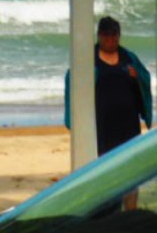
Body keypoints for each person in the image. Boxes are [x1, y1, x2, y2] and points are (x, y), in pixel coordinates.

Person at [64, 16, 153, 156]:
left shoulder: (129, 57)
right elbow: (72, 80)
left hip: (128, 123)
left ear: (119, 35)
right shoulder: (88, 58)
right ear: (99, 35)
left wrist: (137, 77)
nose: (111, 39)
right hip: (101, 123)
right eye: (106, 35)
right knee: (103, 159)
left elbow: (145, 78)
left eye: (114, 35)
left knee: (128, 158)